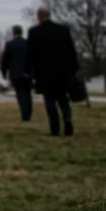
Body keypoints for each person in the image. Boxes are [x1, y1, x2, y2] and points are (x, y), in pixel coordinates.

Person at [26, 7, 80, 136]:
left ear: (39, 16)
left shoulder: (34, 32)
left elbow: (30, 54)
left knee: (49, 100)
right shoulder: (63, 30)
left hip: (44, 72)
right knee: (63, 99)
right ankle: (67, 120)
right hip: (63, 72)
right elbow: (71, 51)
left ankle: (54, 128)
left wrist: (28, 70)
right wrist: (73, 69)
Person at [1, 25, 32, 121]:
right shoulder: (28, 43)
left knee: (20, 93)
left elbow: (5, 59)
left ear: (13, 32)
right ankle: (28, 112)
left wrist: (4, 71)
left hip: (15, 72)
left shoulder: (10, 44)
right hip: (27, 72)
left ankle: (24, 114)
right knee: (27, 93)